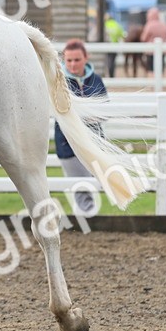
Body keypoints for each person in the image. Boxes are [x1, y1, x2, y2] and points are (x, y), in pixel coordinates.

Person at [54, 39, 107, 214]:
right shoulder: (59, 82)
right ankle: (85, 221)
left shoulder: (96, 80)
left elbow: (103, 108)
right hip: (68, 143)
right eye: (69, 60)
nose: (72, 64)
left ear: (86, 58)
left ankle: (88, 221)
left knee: (95, 182)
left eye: (77, 60)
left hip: (94, 142)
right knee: (80, 186)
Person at [140, 7, 166, 74]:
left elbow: (143, 38)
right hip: (162, 51)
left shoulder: (149, 25)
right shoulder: (164, 25)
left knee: (151, 70)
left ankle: (151, 83)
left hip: (151, 52)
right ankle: (160, 83)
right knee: (160, 69)